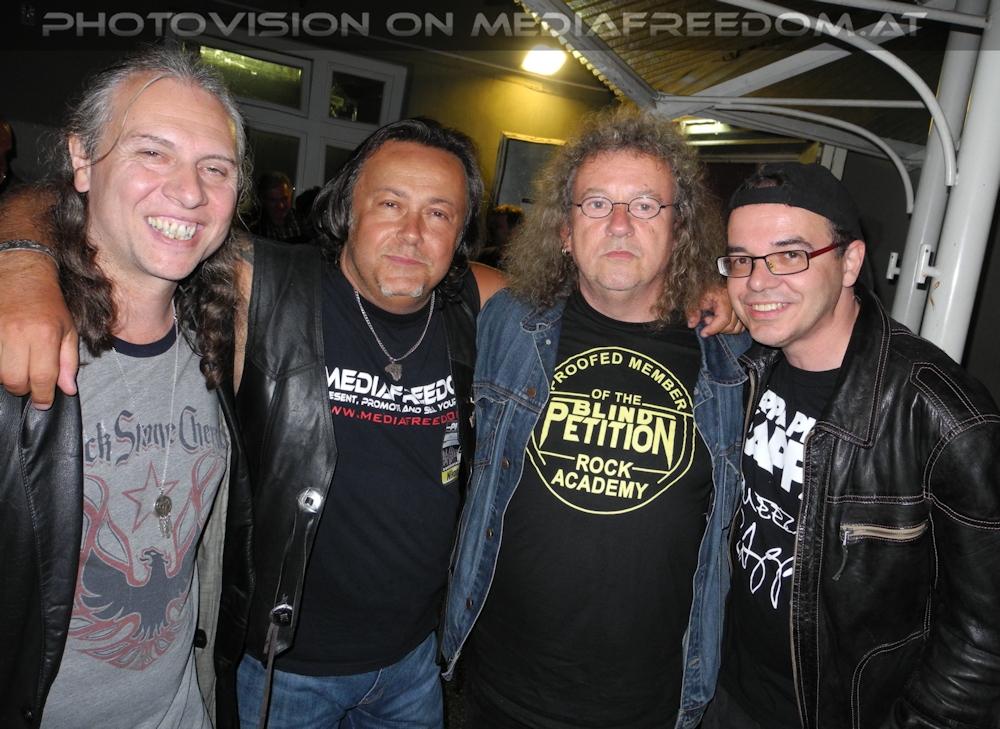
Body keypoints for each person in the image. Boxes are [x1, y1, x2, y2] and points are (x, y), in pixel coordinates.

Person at [0, 115, 738, 727]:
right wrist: (22, 264)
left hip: (414, 665)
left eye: (439, 214)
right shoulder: (269, 287)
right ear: (346, 208)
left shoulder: (485, 309)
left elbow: (616, 280)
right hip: (283, 669)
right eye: (390, 204)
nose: (412, 232)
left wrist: (710, 284)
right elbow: (88, 207)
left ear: (460, 235)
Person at [441, 106, 750, 728]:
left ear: (679, 231)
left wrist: (738, 297)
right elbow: (412, 272)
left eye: (645, 205)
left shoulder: (734, 358)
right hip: (499, 689)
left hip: (650, 703)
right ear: (564, 229)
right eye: (597, 204)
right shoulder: (509, 322)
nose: (619, 224)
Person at [0, 48, 253, 729]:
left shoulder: (229, 332)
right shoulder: (15, 340)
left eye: (216, 168)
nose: (190, 192)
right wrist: (17, 262)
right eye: (152, 152)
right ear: (82, 159)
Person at [704, 162, 1000, 728]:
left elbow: (982, 638)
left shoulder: (942, 416)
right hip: (722, 692)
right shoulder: (741, 371)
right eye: (742, 260)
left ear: (850, 262)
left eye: (790, 255)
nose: (758, 282)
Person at [251, 170, 308, 244]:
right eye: (273, 200)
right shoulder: (252, 223)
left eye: (284, 199)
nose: (280, 206)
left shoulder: (302, 221)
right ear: (262, 200)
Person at [476, 204, 523, 269]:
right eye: (492, 225)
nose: (492, 229)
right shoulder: (484, 256)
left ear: (514, 229)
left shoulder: (524, 262)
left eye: (497, 226)